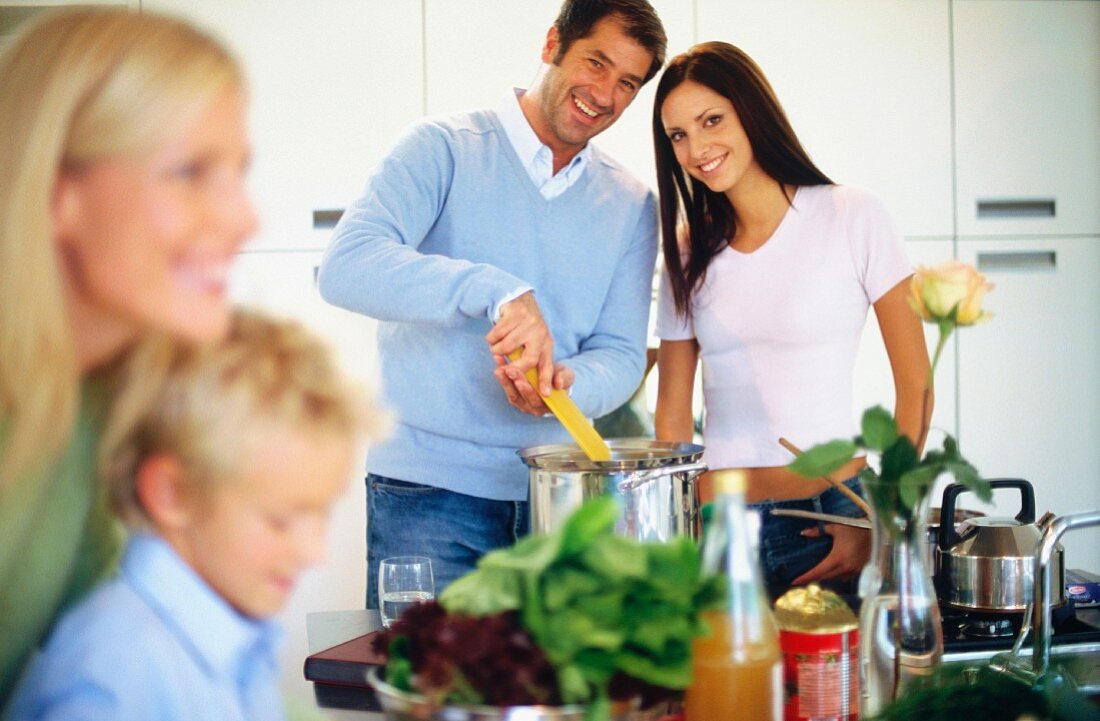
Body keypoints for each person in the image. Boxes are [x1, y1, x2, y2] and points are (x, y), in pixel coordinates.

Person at [318, 0, 667, 606]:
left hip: (559, 507)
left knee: (549, 696)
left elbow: (621, 353)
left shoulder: (632, 204)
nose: (605, 93)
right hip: (425, 496)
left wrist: (565, 385)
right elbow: (346, 267)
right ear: (552, 42)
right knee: (430, 697)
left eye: (628, 83)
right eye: (596, 62)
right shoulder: (442, 148)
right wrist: (496, 290)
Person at [0, 7, 257, 709]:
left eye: (238, 172)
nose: (245, 218)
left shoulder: (104, 394)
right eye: (190, 172)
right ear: (58, 193)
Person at [651, 42, 931, 593]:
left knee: (837, 683)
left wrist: (875, 517)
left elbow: (916, 386)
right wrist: (676, 531)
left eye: (712, 120)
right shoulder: (688, 250)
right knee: (721, 684)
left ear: (751, 111)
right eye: (678, 135)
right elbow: (672, 419)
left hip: (828, 521)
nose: (697, 148)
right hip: (717, 526)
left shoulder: (853, 214)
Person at [7, 308, 373, 720]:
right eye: (280, 521)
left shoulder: (226, 631)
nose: (315, 552)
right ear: (172, 493)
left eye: (321, 515)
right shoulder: (111, 683)